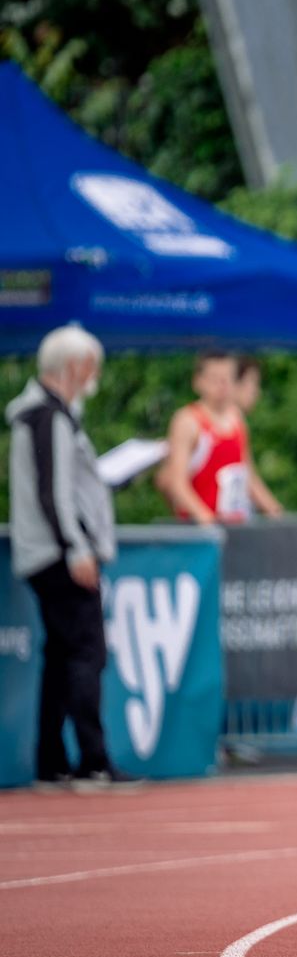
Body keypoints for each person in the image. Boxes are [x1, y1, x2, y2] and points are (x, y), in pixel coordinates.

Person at [7, 326, 136, 792]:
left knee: (62, 656)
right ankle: (92, 761)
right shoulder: (50, 418)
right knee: (86, 652)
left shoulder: (44, 416)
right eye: (91, 365)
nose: (94, 375)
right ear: (76, 366)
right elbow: (53, 493)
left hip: (48, 550)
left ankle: (52, 760)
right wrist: (76, 548)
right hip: (58, 553)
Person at [158, 350, 282, 524]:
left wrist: (275, 512)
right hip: (202, 528)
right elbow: (176, 482)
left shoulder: (236, 417)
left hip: (235, 523)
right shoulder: (188, 421)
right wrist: (205, 518)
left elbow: (248, 475)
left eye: (227, 378)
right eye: (214, 379)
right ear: (198, 381)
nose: (222, 386)